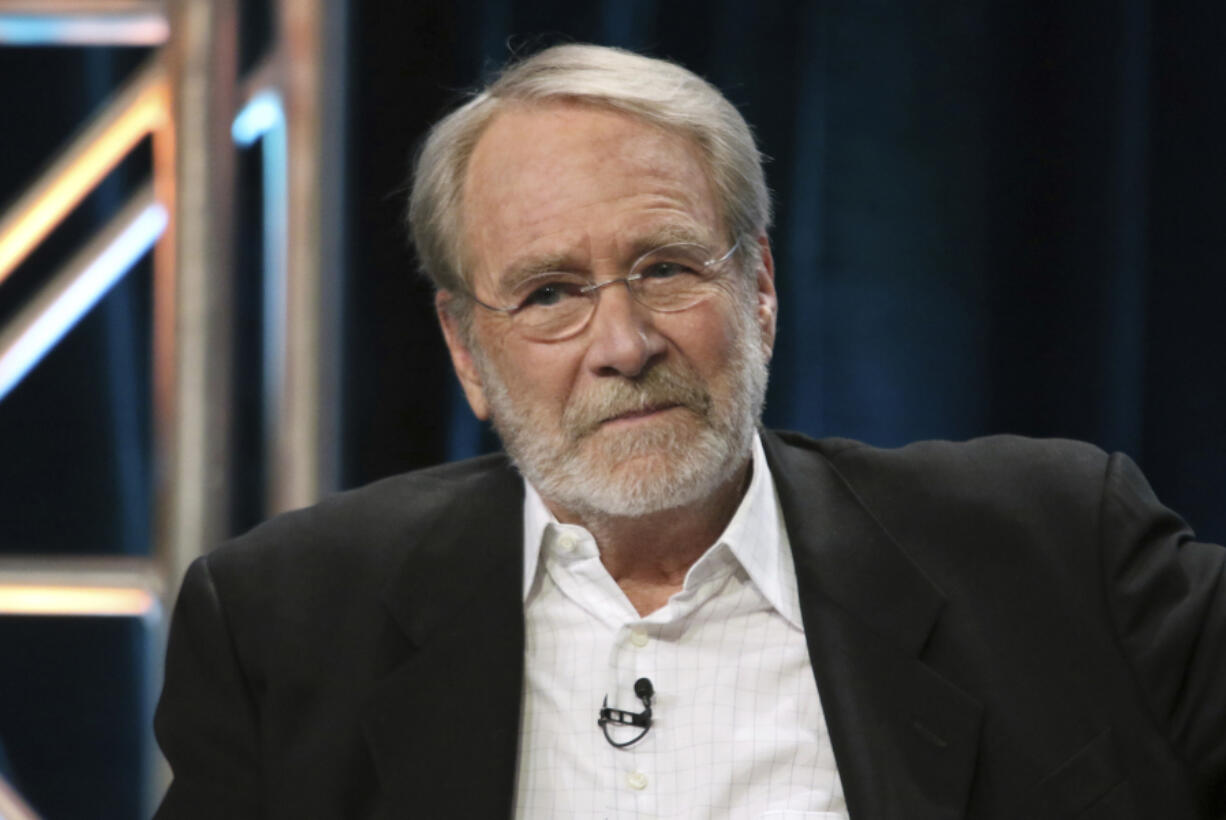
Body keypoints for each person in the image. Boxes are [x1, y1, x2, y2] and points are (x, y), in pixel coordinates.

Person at [154, 44, 1226, 819]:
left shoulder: (1050, 548)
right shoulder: (284, 624)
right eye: (547, 294)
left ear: (757, 287)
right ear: (465, 351)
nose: (621, 343)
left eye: (664, 267)